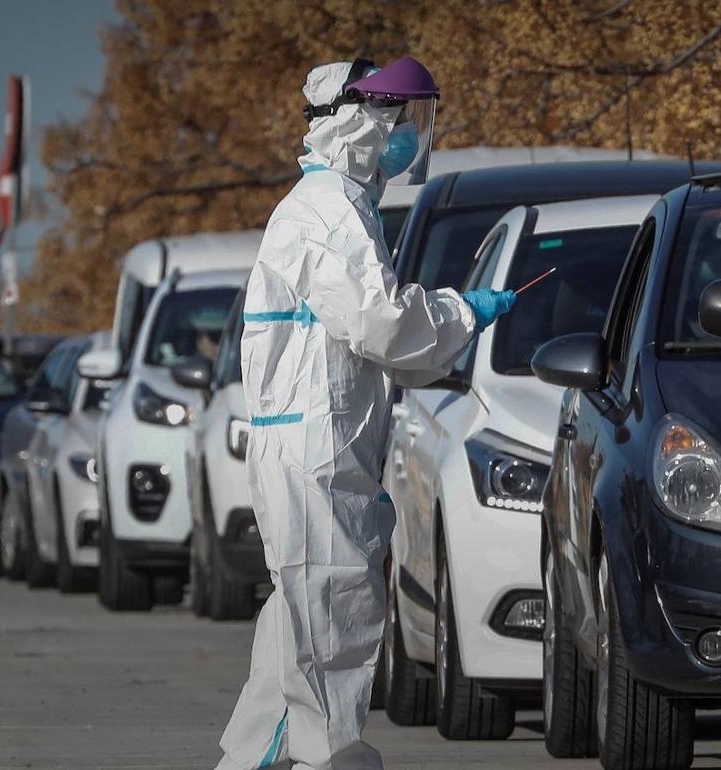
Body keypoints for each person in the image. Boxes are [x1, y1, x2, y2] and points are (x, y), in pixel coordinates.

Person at [214, 58, 515, 770]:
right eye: (402, 119)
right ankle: (333, 760)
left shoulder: (343, 206)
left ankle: (260, 760)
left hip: (325, 449)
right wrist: (457, 311)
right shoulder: (327, 213)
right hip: (315, 458)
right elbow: (381, 324)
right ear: (361, 121)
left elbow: (377, 346)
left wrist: (448, 327)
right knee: (329, 619)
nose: (411, 135)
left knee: (298, 639)